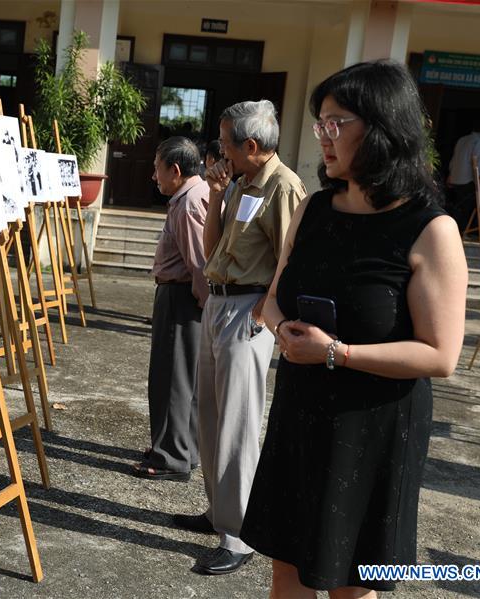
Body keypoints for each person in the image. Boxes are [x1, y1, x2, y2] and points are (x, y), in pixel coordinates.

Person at [239, 60, 467, 597]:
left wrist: (335, 353)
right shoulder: (314, 209)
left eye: (335, 123)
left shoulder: (430, 229)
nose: (322, 135)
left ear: (384, 127)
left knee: (352, 581)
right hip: (302, 409)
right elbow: (272, 300)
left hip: (374, 424)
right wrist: (284, 330)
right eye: (319, 122)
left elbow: (441, 355)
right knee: (286, 566)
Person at [175, 99, 305, 575]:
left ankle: (239, 535)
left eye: (225, 144)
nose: (220, 152)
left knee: (237, 423)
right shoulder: (239, 182)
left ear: (251, 145)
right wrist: (215, 193)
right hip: (219, 300)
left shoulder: (283, 186)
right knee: (210, 415)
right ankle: (219, 512)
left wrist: (267, 306)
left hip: (248, 309)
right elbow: (212, 249)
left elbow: (293, 257)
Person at [133, 137, 210, 481]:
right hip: (183, 298)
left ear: (175, 170)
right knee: (183, 379)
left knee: (172, 379)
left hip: (182, 298)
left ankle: (171, 456)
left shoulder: (189, 203)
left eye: (157, 168)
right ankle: (181, 448)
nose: (153, 176)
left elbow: (200, 265)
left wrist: (204, 306)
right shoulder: (192, 195)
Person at [446, 116, 480, 232]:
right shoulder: (479, 142)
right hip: (468, 180)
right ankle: (460, 232)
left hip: (456, 178)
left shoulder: (462, 139)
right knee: (465, 209)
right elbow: (477, 163)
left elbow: (454, 159)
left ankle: (455, 231)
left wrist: (450, 174)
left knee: (457, 206)